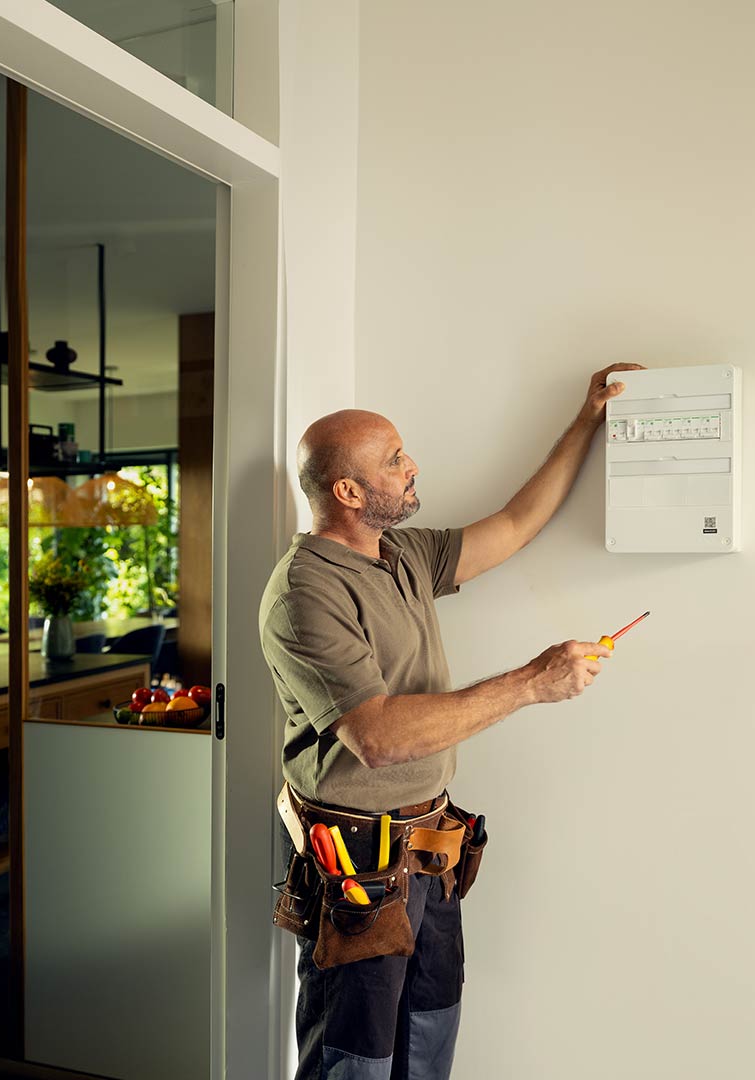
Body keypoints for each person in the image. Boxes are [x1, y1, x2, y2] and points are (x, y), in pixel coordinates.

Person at [259, 362, 642, 1080]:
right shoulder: (304, 594)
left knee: (428, 1050)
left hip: (431, 859)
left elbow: (519, 523)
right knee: (356, 1064)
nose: (412, 467)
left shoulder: (402, 555)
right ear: (348, 491)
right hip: (359, 876)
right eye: (394, 459)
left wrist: (588, 417)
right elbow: (377, 737)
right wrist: (531, 683)